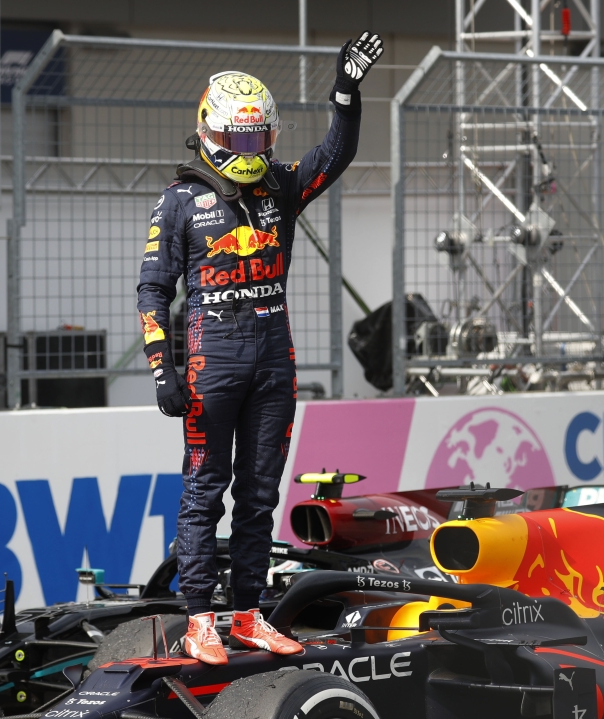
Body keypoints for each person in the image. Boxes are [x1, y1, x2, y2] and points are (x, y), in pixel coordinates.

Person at [136, 33, 383, 665]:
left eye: (261, 138)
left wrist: (346, 94)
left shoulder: (279, 187)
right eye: (243, 140)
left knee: (261, 491)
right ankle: (197, 618)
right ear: (212, 133)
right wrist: (163, 369)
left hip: (275, 359)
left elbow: (336, 153)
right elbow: (152, 289)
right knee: (203, 488)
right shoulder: (178, 200)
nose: (255, 150)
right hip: (210, 360)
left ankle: (247, 612)